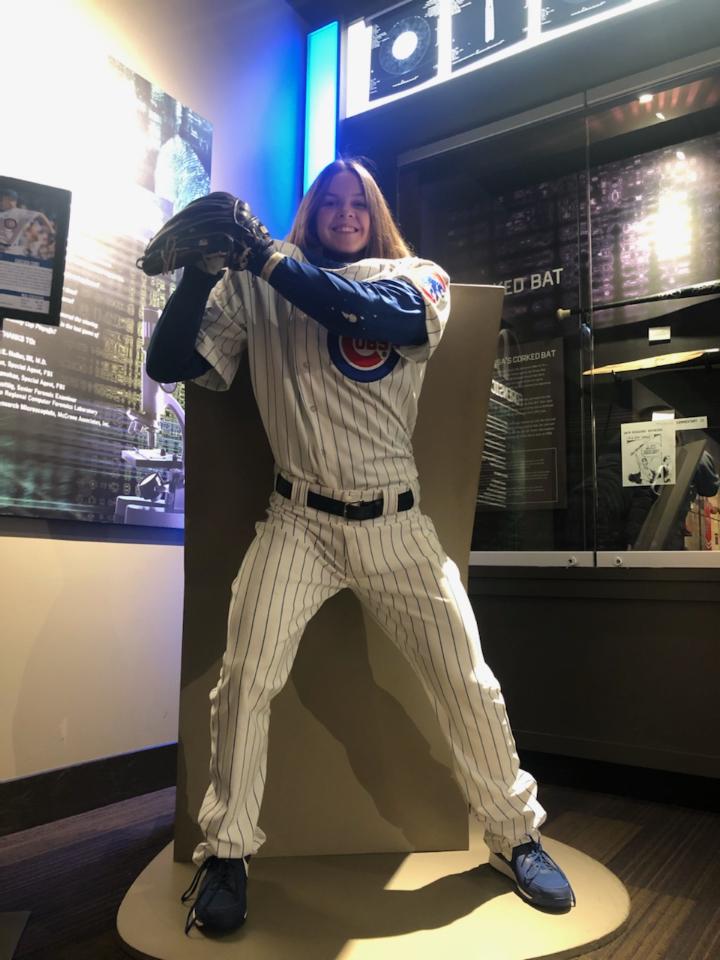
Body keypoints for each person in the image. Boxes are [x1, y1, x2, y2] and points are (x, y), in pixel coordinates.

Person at [146, 158, 575, 936]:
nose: (345, 213)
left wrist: (262, 254)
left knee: (467, 681)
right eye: (330, 202)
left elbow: (373, 317)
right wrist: (202, 271)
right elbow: (169, 364)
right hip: (297, 520)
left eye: (359, 202)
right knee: (243, 682)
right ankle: (226, 852)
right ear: (310, 212)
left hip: (396, 524)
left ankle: (517, 836)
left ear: (377, 216)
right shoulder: (254, 284)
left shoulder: (416, 275)